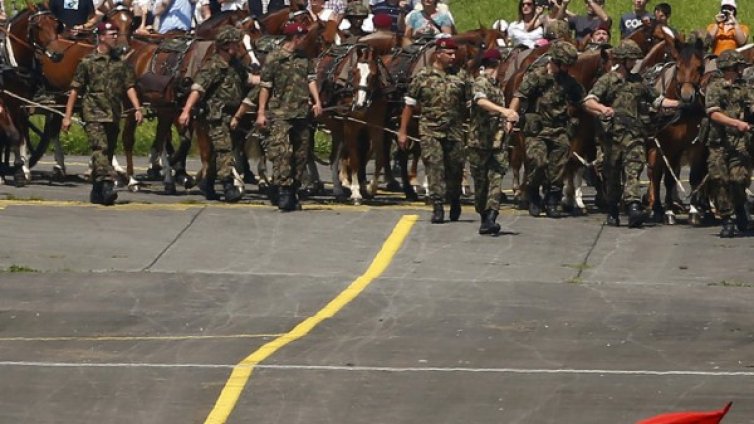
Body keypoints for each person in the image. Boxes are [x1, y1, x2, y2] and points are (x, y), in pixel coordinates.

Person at [583, 40, 680, 227]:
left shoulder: (639, 82)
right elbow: (589, 101)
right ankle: (612, 208)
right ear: (624, 59)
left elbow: (658, 101)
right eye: (632, 59)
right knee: (613, 175)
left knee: (633, 171)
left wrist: (681, 104)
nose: (635, 62)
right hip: (612, 137)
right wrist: (602, 109)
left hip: (634, 136)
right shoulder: (608, 80)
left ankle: (634, 207)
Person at [238, 22, 323, 211]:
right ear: (295, 38)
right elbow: (265, 86)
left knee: (301, 154)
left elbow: (310, 79)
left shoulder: (304, 58)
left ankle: (293, 189)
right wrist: (261, 112)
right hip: (279, 113)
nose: (304, 40)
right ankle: (283, 190)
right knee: (283, 152)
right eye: (302, 37)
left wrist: (317, 101)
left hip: (301, 113)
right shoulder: (274, 58)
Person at [62, 21, 144, 205]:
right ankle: (107, 186)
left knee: (108, 152)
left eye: (116, 33)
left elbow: (129, 86)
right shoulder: (87, 63)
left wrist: (137, 108)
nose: (115, 37)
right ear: (101, 37)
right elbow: (75, 90)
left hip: (113, 113)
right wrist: (67, 117)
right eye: (111, 34)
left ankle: (97, 190)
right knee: (100, 148)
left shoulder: (120, 63)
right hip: (93, 112)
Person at [508, 41, 585, 218]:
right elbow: (520, 95)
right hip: (537, 130)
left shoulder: (569, 82)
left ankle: (552, 201)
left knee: (557, 168)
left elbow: (583, 100)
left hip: (559, 129)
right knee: (538, 162)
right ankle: (534, 195)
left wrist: (601, 109)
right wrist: (510, 115)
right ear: (555, 61)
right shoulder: (536, 77)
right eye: (565, 64)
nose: (567, 68)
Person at [398, 38, 468, 224]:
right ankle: (437, 206)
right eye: (449, 54)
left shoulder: (461, 76)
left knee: (455, 169)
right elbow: (409, 105)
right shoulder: (422, 76)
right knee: (434, 167)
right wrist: (403, 131)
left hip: (455, 131)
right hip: (430, 130)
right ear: (438, 54)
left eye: (455, 54)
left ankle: (454, 199)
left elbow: (470, 103)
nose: (453, 57)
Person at [178, 26, 249, 202]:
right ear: (227, 45)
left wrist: (267, 80)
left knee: (217, 153)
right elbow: (198, 89)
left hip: (231, 115)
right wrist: (186, 111)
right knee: (224, 150)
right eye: (236, 43)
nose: (238, 47)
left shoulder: (236, 65)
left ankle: (208, 184)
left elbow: (247, 79)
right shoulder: (213, 66)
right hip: (215, 115)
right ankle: (228, 186)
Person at [468, 49, 519, 235]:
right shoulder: (481, 82)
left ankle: (491, 217)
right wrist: (503, 111)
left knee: (496, 179)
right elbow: (480, 101)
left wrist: (507, 121)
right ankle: (484, 216)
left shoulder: (497, 86)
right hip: (479, 143)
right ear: (498, 64)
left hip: (497, 144)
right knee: (481, 185)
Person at [704, 49, 753, 237]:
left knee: (739, 178)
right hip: (718, 141)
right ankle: (727, 218)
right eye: (739, 66)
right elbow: (713, 113)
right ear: (731, 67)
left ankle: (739, 206)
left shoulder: (744, 87)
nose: (742, 69)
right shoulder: (715, 87)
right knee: (719, 180)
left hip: (740, 142)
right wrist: (737, 123)